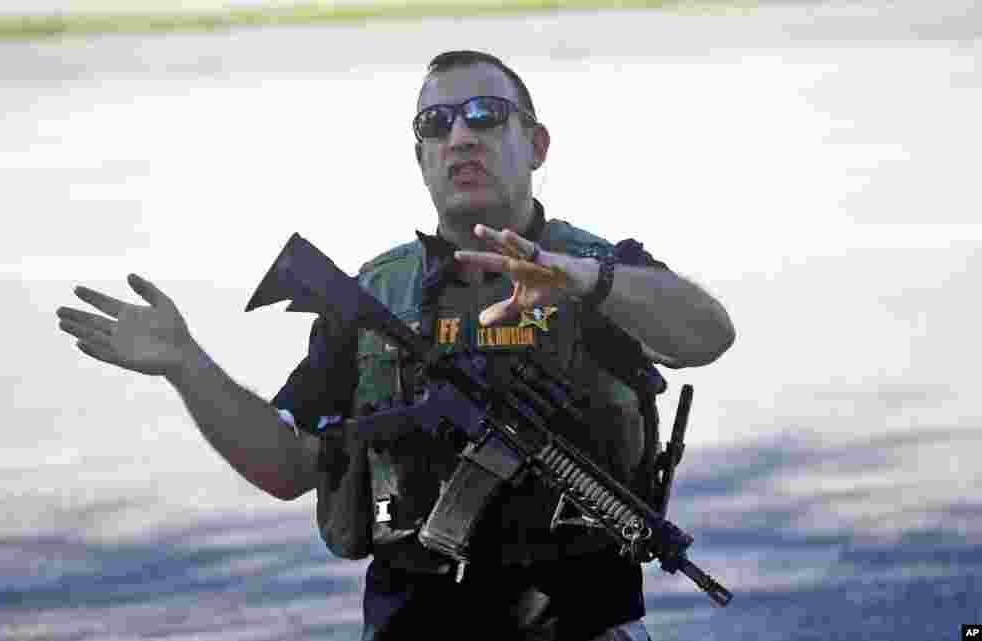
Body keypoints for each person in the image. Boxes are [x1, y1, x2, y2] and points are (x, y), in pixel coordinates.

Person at [56, 50, 735, 640]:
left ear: (537, 143)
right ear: (420, 157)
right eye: (435, 124)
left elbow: (709, 335)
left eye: (486, 114)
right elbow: (289, 466)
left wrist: (583, 281)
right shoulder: (379, 294)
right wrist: (185, 363)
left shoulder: (602, 267)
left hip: (584, 626)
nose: (460, 136)